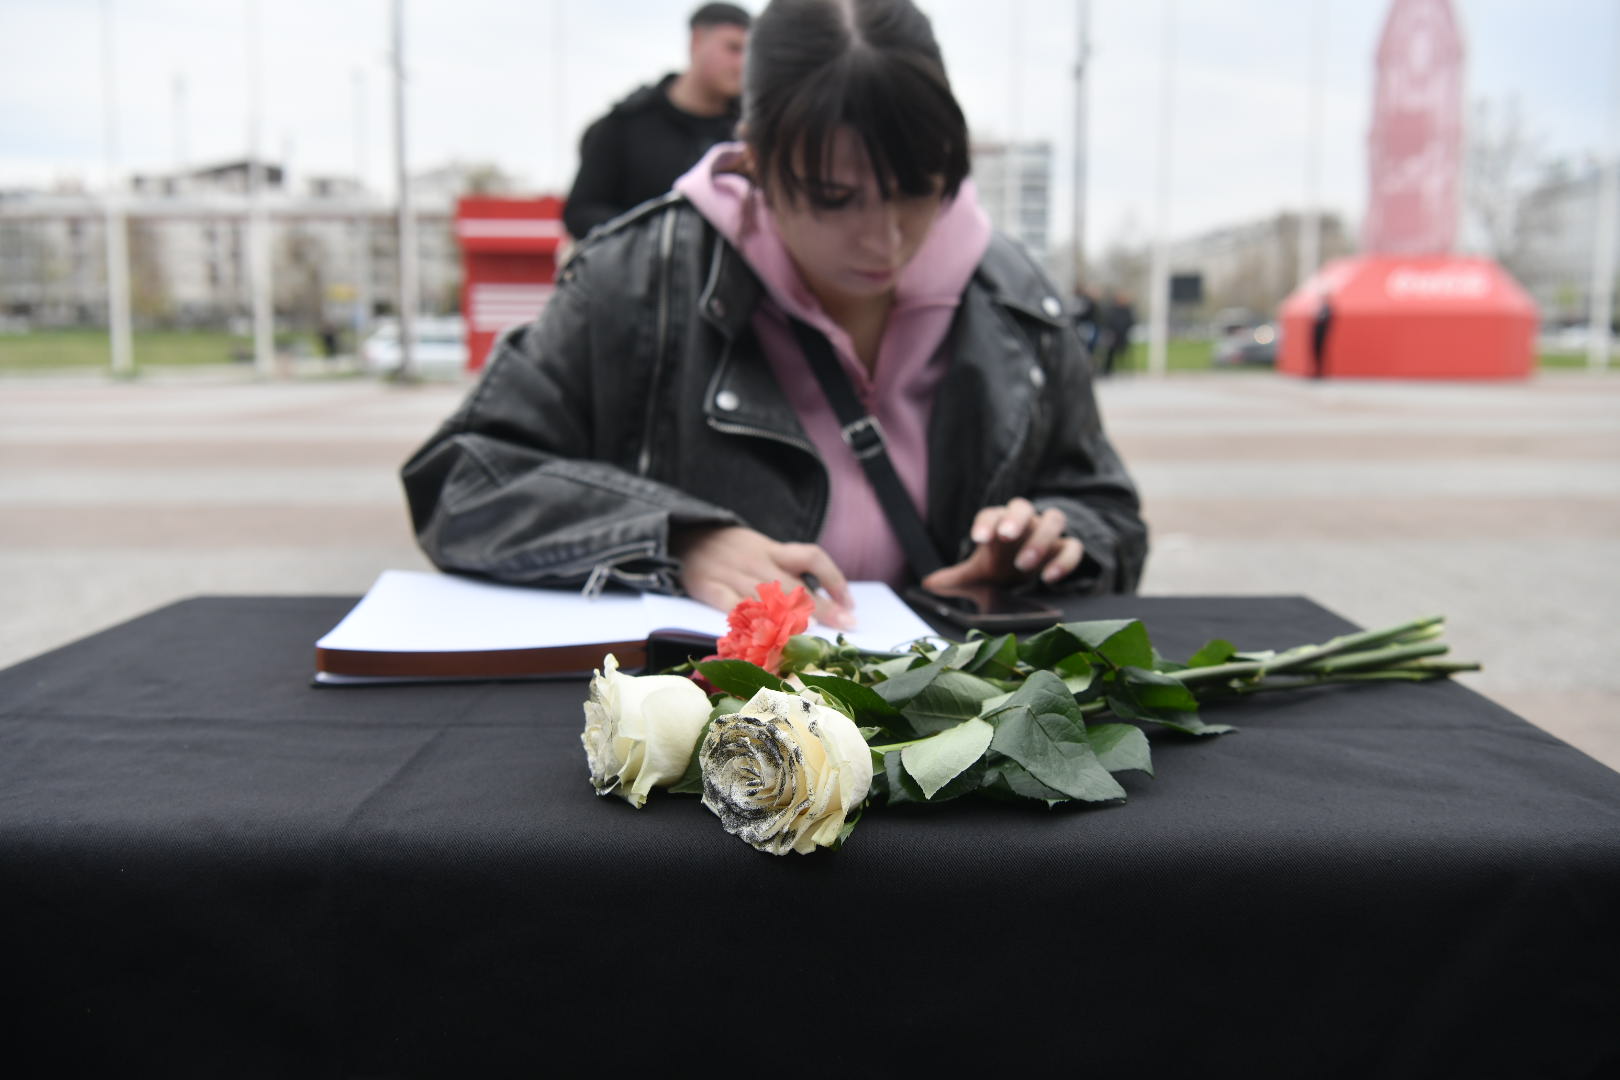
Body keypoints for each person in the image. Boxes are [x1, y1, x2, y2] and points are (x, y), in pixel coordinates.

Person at [404, 0, 1147, 630]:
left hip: (953, 735)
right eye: (834, 198)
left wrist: (1052, 546)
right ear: (753, 158)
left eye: (918, 190)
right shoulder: (635, 278)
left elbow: (1107, 510)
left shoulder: (1015, 296)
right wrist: (677, 538)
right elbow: (461, 480)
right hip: (709, 735)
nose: (885, 239)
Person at [561, 3, 752, 240]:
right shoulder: (626, 125)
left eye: (750, 53)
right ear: (696, 41)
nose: (743, 64)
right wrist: (651, 239)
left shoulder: (754, 135)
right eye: (733, 48)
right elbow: (581, 212)